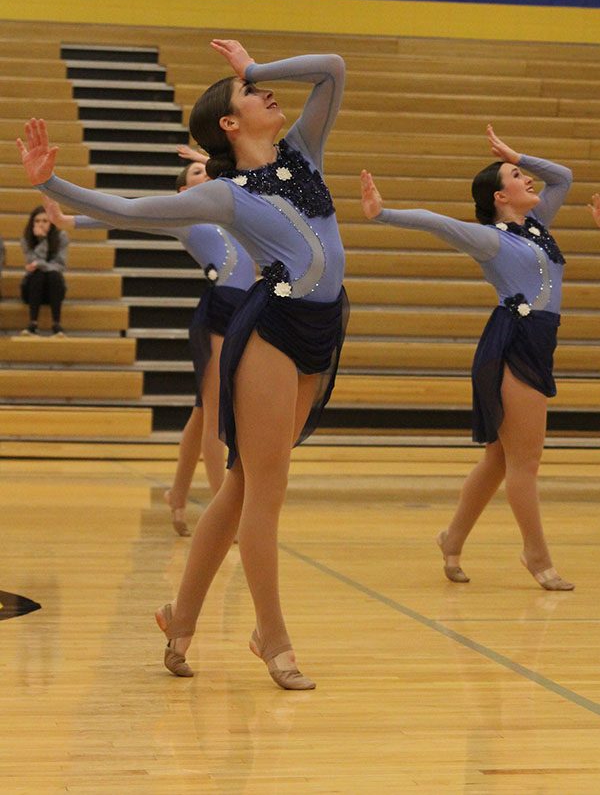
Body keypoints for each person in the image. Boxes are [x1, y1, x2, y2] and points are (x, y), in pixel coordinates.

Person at [18, 39, 347, 689]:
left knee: (242, 487)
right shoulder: (225, 196)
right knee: (264, 492)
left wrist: (252, 68)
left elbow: (333, 71)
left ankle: (180, 616)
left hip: (323, 327)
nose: (264, 94)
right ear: (229, 124)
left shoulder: (303, 153)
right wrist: (49, 183)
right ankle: (270, 636)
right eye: (252, 95)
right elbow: (131, 211)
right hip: (272, 331)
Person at [361, 124, 574, 591]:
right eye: (518, 177)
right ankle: (536, 555)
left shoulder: (537, 227)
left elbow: (564, 177)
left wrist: (516, 153)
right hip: (513, 344)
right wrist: (384, 214)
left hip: (538, 341)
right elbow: (437, 222)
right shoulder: (492, 239)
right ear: (500, 197)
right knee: (526, 461)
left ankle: (452, 537)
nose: (529, 180)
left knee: (501, 458)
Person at [43, 153, 256, 536]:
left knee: (202, 413)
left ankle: (177, 494)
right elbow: (129, 214)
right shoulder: (184, 217)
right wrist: (70, 220)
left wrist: (209, 158)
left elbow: (250, 177)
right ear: (182, 191)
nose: (205, 173)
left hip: (243, 310)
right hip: (220, 311)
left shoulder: (232, 210)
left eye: (207, 170)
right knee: (216, 416)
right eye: (196, 172)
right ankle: (226, 515)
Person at [19, 205, 67, 336]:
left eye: (45, 221)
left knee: (53, 275)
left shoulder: (61, 236)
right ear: (32, 222)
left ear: (51, 222)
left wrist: (39, 263)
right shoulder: (26, 238)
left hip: (54, 288)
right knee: (38, 274)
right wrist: (42, 240)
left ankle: (56, 324)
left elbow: (60, 265)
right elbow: (31, 263)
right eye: (37, 221)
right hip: (32, 289)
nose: (41, 224)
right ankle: (32, 324)